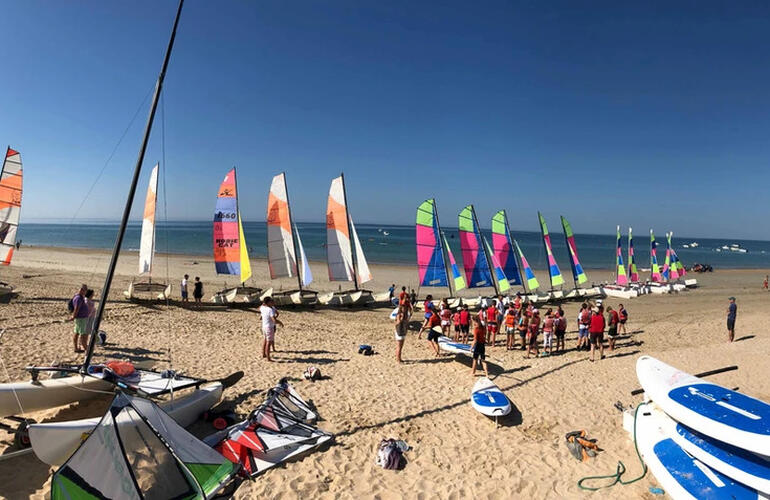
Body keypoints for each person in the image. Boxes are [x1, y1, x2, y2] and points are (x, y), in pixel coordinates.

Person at [260, 297, 283, 361]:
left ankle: (264, 354)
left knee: (265, 340)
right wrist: (280, 322)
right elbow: (274, 320)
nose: (273, 302)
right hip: (269, 327)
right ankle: (268, 358)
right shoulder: (270, 310)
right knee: (268, 342)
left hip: (264, 326)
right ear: (268, 302)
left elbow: (260, 307)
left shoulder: (262, 308)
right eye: (271, 301)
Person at [69, 284, 89, 353]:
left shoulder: (80, 297)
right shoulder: (78, 298)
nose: (85, 291)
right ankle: (86, 349)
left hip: (81, 318)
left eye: (85, 290)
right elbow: (76, 308)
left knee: (77, 333)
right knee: (82, 334)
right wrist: (73, 316)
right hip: (81, 319)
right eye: (84, 289)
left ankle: (77, 348)